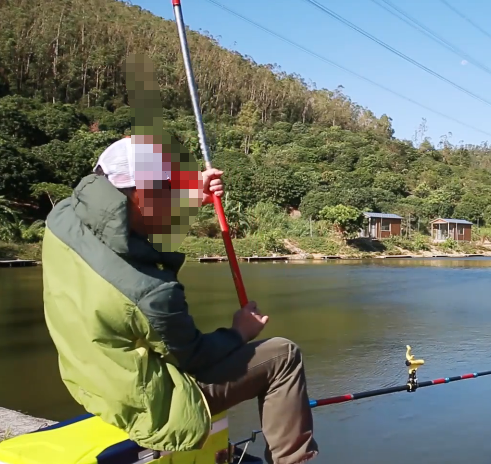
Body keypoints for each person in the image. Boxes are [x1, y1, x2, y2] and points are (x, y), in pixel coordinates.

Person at [41, 135, 318, 464]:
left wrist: (186, 195)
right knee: (283, 356)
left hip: (89, 380)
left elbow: (125, 224)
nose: (176, 201)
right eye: (169, 191)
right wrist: (238, 333)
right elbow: (194, 357)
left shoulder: (63, 218)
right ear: (142, 194)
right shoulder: (150, 291)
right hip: (146, 405)